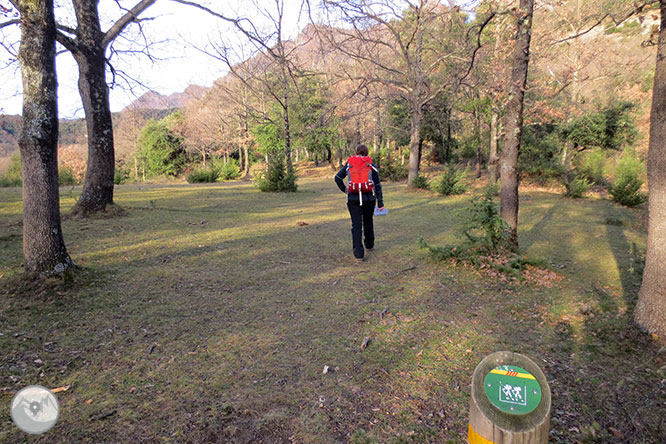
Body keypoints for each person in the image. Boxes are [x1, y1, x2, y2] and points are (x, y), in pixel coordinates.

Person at [334, 144, 384, 260]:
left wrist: (346, 190)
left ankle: (358, 253)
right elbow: (377, 184)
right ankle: (369, 244)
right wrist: (380, 202)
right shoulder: (370, 164)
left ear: (356, 152)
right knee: (368, 221)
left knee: (356, 225)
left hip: (353, 199)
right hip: (369, 199)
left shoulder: (349, 164)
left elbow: (337, 178)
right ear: (367, 153)